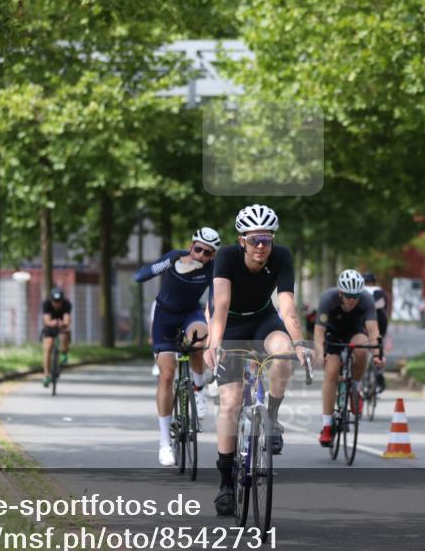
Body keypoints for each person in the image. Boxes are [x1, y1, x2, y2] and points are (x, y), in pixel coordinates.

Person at [204, 204, 308, 516]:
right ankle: (225, 484)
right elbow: (220, 304)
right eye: (254, 240)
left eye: (266, 239)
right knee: (232, 402)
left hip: (264, 319)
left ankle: (272, 419)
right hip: (233, 324)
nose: (261, 246)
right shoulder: (225, 257)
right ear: (241, 241)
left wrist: (300, 342)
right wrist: (214, 344)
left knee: (283, 353)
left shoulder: (282, 256)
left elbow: (287, 306)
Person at [135, 227, 220, 466]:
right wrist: (169, 263)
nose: (201, 255)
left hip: (190, 314)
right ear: (191, 246)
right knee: (166, 376)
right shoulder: (174, 256)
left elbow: (214, 302)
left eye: (207, 253)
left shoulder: (212, 268)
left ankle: (199, 389)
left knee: (199, 339)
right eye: (198, 249)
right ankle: (165, 442)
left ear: (212, 256)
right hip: (165, 315)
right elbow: (140, 276)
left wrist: (215, 327)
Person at [313, 270, 384, 446]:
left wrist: (377, 355)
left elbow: (373, 330)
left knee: (362, 348)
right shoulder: (328, 299)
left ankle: (355, 389)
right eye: (348, 295)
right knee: (331, 370)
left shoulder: (367, 299)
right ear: (340, 293)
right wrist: (320, 353)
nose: (352, 300)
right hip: (333, 335)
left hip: (355, 332)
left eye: (355, 296)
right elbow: (319, 331)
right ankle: (327, 426)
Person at [361, 271, 389, 392]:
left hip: (364, 320)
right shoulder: (380, 291)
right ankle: (379, 374)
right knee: (379, 343)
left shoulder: (360, 291)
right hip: (380, 320)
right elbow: (384, 307)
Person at [41, 287, 72, 386]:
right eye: (55, 301)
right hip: (51, 326)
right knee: (48, 347)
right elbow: (46, 320)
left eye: (59, 302)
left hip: (62, 325)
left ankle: (64, 353)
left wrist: (62, 323)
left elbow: (67, 320)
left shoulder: (67, 304)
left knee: (65, 334)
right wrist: (51, 323)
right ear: (51, 300)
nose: (57, 304)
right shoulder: (46, 304)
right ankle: (46, 375)